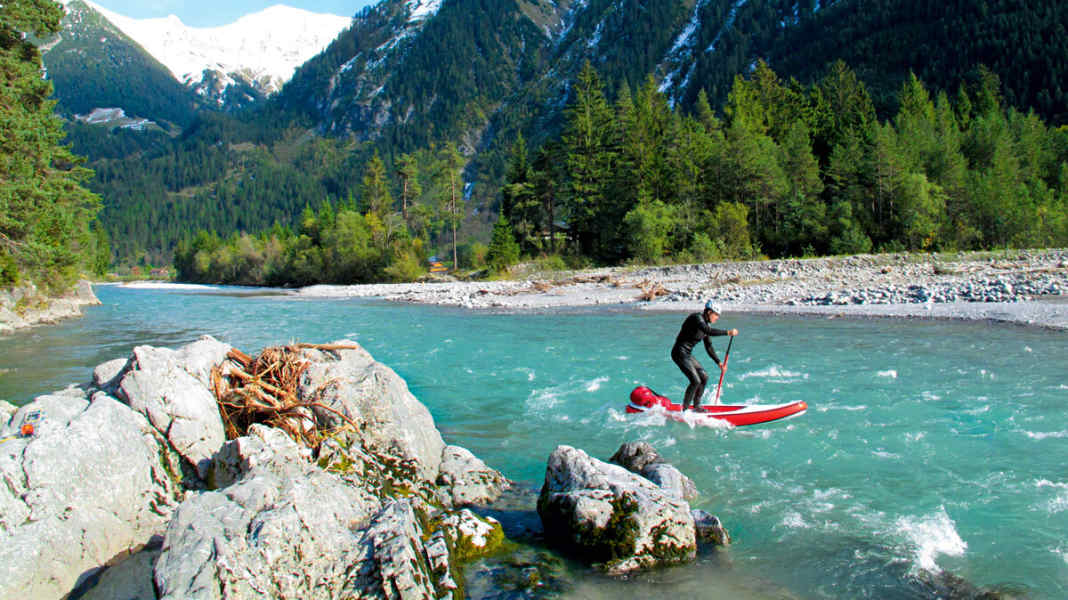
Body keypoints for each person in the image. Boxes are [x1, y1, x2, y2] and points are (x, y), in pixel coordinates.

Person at [671, 300, 738, 410]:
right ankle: (685, 410)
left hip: (687, 354)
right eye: (716, 315)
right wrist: (728, 332)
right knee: (695, 381)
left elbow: (709, 347)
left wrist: (719, 363)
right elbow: (708, 331)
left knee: (704, 377)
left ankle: (697, 406)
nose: (717, 318)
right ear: (709, 312)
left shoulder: (706, 326)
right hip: (679, 352)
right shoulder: (696, 318)